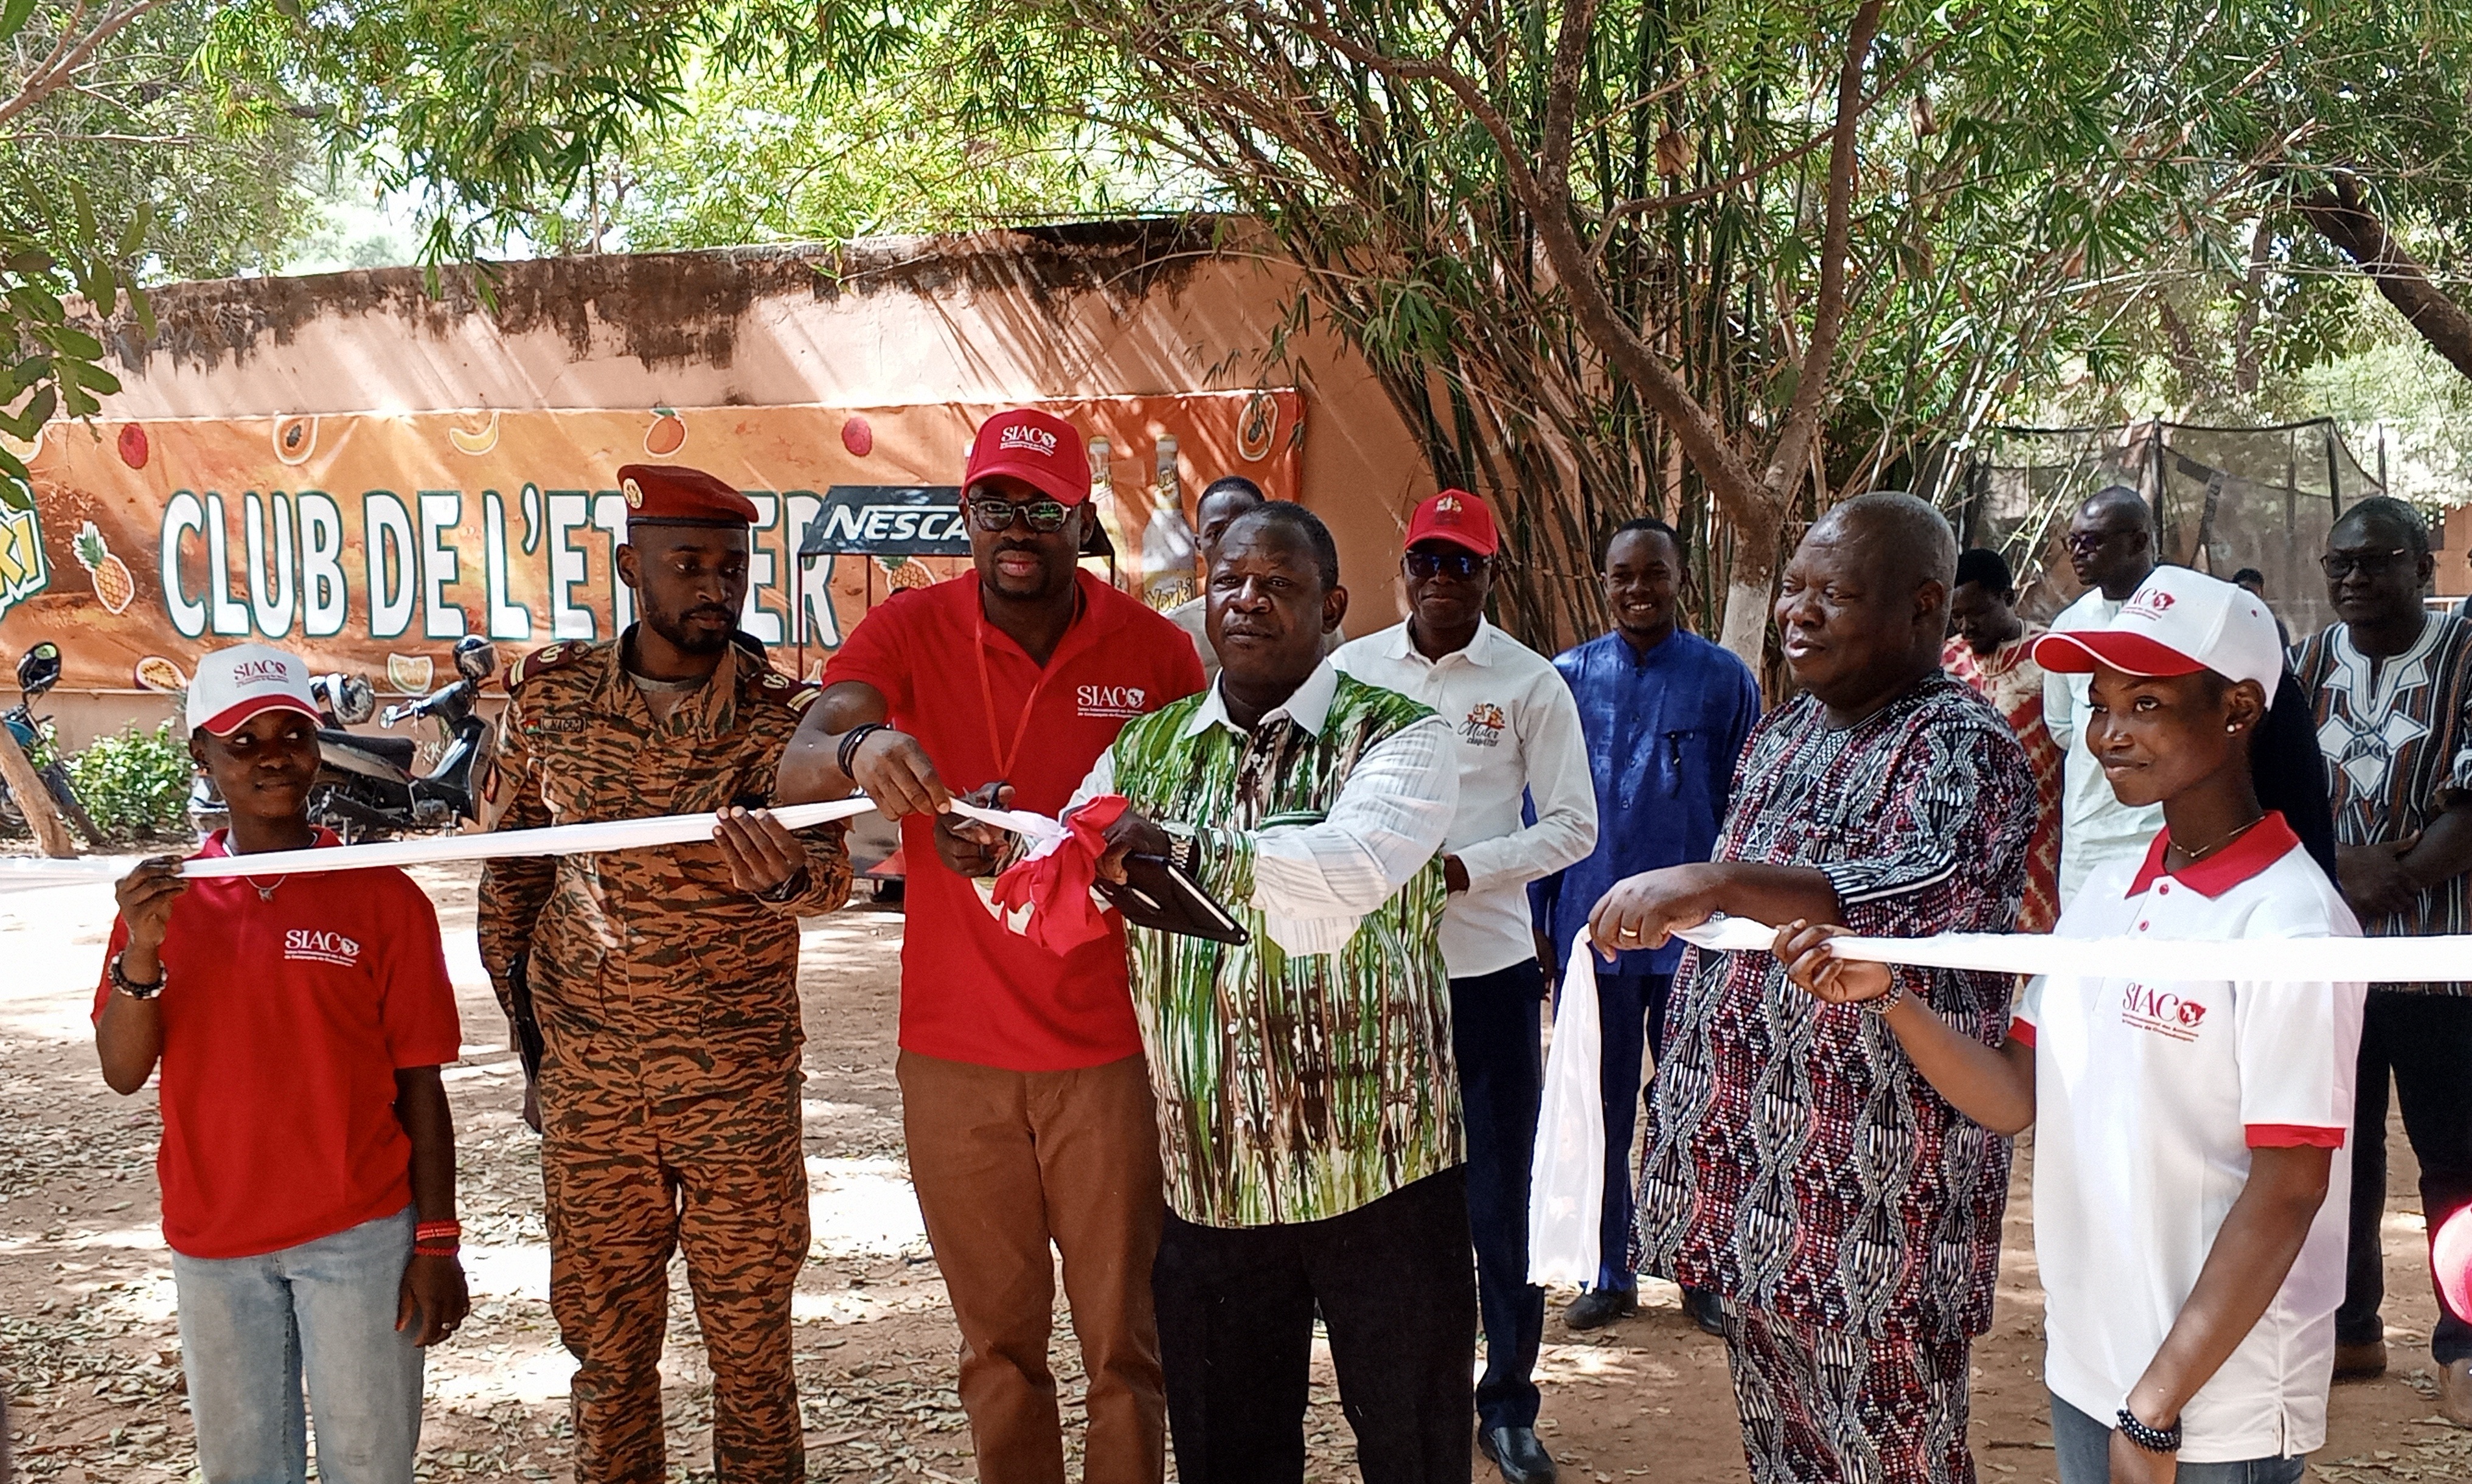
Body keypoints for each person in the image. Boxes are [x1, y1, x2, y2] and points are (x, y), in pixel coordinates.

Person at [1780, 564, 2365, 1483]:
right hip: (2091, 1365)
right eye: (2099, 706)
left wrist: (2159, 1407)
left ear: (2239, 708)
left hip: (2216, 1400)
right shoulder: (2105, 892)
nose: (2109, 735)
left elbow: (2290, 1185)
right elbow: (2016, 1096)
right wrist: (1889, 992)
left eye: (2145, 704)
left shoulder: (2289, 921)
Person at [775, 408, 1204, 1484]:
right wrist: (866, 747)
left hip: (1108, 1052)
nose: (1017, 528)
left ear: (1080, 521)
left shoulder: (1152, 653)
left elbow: (1193, 826)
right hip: (954, 1057)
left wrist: (1084, 851)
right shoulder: (910, 631)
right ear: (965, 513)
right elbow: (800, 763)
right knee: (998, 1350)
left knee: (1123, 1349)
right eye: (992, 505)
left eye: (1042, 509)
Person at [1588, 492, 2037, 1484]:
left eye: (1831, 594)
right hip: (1757, 1196)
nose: (1797, 612)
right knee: (1785, 1458)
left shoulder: (1963, 749)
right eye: (1792, 589)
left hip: (1875, 1212)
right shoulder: (1785, 733)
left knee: (1887, 1460)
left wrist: (1712, 882)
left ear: (1922, 606)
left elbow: (1912, 892)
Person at [1063, 500, 1471, 1483]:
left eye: (1277, 584)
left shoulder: (1401, 735)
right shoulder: (1146, 749)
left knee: (1411, 1445)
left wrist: (1184, 847)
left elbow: (1350, 864)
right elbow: (1066, 873)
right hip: (1211, 1175)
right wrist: (998, 853)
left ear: (1330, 604)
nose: (1246, 600)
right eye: (1228, 580)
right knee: (1226, 1454)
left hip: (1380, 1165)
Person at [477, 465, 856, 1484]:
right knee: (605, 1359)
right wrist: (534, 1055)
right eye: (686, 563)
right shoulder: (549, 700)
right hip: (593, 1090)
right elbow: (509, 880)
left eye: (730, 567)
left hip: (736, 1091)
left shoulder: (784, 721)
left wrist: (787, 880)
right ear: (628, 568)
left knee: (752, 1363)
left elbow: (832, 878)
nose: (713, 586)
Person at [97, 643, 467, 1484]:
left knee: (370, 1466)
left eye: (290, 733)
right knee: (243, 1470)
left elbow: (421, 1083)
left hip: (360, 1237)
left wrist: (436, 1242)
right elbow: (122, 1071)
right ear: (201, 753)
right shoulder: (163, 900)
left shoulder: (382, 895)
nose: (271, 754)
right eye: (241, 738)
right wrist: (143, 957)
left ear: (317, 742)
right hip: (215, 1241)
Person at [1330, 489, 1596, 1484]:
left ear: (1491, 575)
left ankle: (1508, 1403)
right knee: (1388, 1200)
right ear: (1405, 569)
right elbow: (1307, 800)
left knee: (1497, 1202)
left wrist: (1463, 867)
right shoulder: (1348, 671)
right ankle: (1409, 1395)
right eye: (1428, 561)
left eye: (1463, 564)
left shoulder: (1529, 685)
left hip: (1482, 978)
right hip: (1373, 982)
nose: (1443, 579)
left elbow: (1574, 826)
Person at [1530, 516, 1757, 1338]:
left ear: (1678, 577)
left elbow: (1745, 809)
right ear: (1605, 582)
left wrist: (1737, 911)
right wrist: (1542, 919)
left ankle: (1697, 1267)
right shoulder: (1565, 679)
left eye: (1652, 573)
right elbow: (1542, 808)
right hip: (1595, 932)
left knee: (1695, 1101)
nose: (1638, 589)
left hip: (1697, 938)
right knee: (1604, 1101)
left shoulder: (1724, 681)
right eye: (1622, 575)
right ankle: (1608, 1266)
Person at [2289, 496, 2472, 1421]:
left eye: (2376, 562)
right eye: (2340, 566)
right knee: (2335, 1151)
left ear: (2422, 565)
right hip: (2330, 962)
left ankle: (2464, 1344)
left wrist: (2383, 878)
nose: (2355, 580)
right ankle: (2348, 1327)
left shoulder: (2468, 652)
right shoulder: (2305, 663)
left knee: (2457, 1157)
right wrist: (2337, 870)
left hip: (2446, 960)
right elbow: (2273, 793)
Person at [2046, 485, 2166, 898]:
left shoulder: (2183, 613)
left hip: (2166, 826)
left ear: (2139, 542)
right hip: (2090, 833)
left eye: (2092, 541)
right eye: (2073, 542)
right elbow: (2061, 726)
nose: (2078, 552)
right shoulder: (2068, 626)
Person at [1943, 546, 2064, 931]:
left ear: (2008, 598)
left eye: (1976, 613)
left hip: (2041, 833)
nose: (1966, 627)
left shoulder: (2050, 656)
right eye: (1957, 616)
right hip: (1967, 840)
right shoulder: (1946, 662)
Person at [1164, 475, 1340, 680]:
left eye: (1248, 529)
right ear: (1199, 544)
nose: (1234, 542)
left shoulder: (1314, 620)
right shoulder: (1175, 632)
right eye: (1217, 532)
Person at [2233, 567, 2292, 646]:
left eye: (2253, 594)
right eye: (2245, 593)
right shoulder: (2223, 622)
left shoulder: (2275, 627)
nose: (2250, 599)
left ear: (2261, 593)